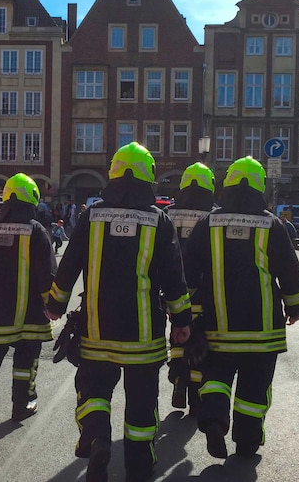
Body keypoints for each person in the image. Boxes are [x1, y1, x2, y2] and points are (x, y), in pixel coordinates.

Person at [45, 142, 192, 482]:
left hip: (97, 332)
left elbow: (68, 266)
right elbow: (174, 277)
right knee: (141, 403)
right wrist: (182, 323)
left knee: (94, 389)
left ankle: (97, 437)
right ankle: (139, 466)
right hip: (144, 336)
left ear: (113, 173)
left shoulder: (90, 217)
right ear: (148, 177)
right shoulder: (159, 221)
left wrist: (54, 305)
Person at [183, 156, 299, 459]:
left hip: (218, 326)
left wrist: (185, 309)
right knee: (254, 389)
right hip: (262, 331)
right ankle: (247, 442)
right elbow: (290, 272)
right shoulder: (272, 225)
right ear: (260, 186)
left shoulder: (208, 222)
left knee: (215, 377)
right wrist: (294, 306)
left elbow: (188, 269)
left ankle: (213, 421)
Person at [0, 173, 57, 431]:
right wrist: (53, 304)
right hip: (30, 315)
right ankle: (21, 404)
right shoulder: (36, 231)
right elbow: (47, 272)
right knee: (26, 359)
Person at [165, 162, 215, 416]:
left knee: (176, 333)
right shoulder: (214, 216)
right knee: (198, 340)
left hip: (172, 289)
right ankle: (195, 393)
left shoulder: (168, 215)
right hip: (203, 290)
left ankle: (177, 378)